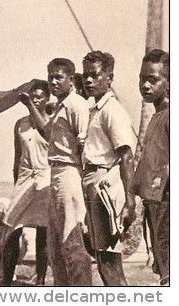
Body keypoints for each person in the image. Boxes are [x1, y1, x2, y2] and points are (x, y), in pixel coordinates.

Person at [81, 51, 136, 286]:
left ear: (109, 78)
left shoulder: (112, 110)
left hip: (105, 183)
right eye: (86, 76)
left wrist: (130, 201)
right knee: (101, 255)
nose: (89, 81)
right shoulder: (94, 109)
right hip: (91, 180)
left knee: (110, 259)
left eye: (94, 75)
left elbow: (127, 156)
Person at [42, 58, 92, 286]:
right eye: (50, 76)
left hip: (70, 173)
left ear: (71, 79)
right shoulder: (59, 106)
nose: (53, 81)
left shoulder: (76, 104)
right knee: (54, 246)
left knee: (73, 242)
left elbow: (85, 144)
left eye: (58, 77)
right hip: (55, 173)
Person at [0, 81, 51, 286]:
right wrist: (16, 180)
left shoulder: (50, 120)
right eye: (33, 96)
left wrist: (31, 105)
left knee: (43, 229)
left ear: (47, 98)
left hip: (46, 175)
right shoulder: (20, 123)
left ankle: (40, 279)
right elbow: (17, 155)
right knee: (12, 227)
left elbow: (45, 131)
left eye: (39, 96)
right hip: (25, 175)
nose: (36, 99)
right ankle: (6, 278)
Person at [131, 49, 169, 286]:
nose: (145, 85)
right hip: (155, 205)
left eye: (153, 79)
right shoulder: (157, 116)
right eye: (142, 78)